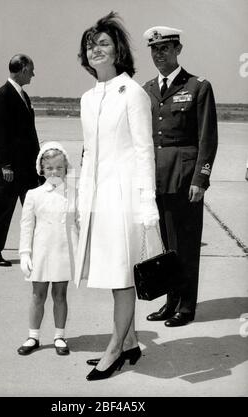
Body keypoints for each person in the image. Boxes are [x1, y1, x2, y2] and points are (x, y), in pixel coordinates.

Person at [75, 12, 161, 381]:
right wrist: (80, 201)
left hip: (125, 198)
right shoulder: (88, 98)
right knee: (113, 274)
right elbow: (89, 154)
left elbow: (145, 152)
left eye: (103, 43)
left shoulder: (134, 92)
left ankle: (114, 349)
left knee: (123, 275)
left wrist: (147, 205)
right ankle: (130, 342)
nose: (95, 50)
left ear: (118, 51)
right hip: (98, 198)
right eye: (90, 45)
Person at [142, 26, 218, 326]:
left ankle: (186, 306)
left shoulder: (198, 87)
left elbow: (207, 138)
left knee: (185, 244)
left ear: (178, 50)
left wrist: (201, 179)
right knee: (164, 246)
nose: (159, 54)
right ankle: (170, 301)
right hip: (155, 179)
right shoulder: (146, 88)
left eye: (165, 48)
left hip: (185, 178)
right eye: (154, 49)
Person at [17, 141, 78, 356]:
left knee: (60, 294)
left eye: (59, 168)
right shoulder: (33, 195)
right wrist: (25, 253)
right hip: (41, 251)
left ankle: (59, 336)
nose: (54, 172)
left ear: (66, 168)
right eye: (50, 168)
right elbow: (27, 226)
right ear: (41, 169)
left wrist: (80, 252)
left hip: (63, 252)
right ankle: (33, 336)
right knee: (38, 294)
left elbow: (78, 223)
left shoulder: (73, 193)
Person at [0, 54, 40, 267]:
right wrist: (5, 165)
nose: (33, 74)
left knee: (35, 211)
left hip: (27, 170)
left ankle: (37, 252)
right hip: (10, 170)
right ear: (23, 69)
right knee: (1, 211)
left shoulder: (22, 95)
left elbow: (28, 134)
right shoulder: (4, 95)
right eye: (31, 70)